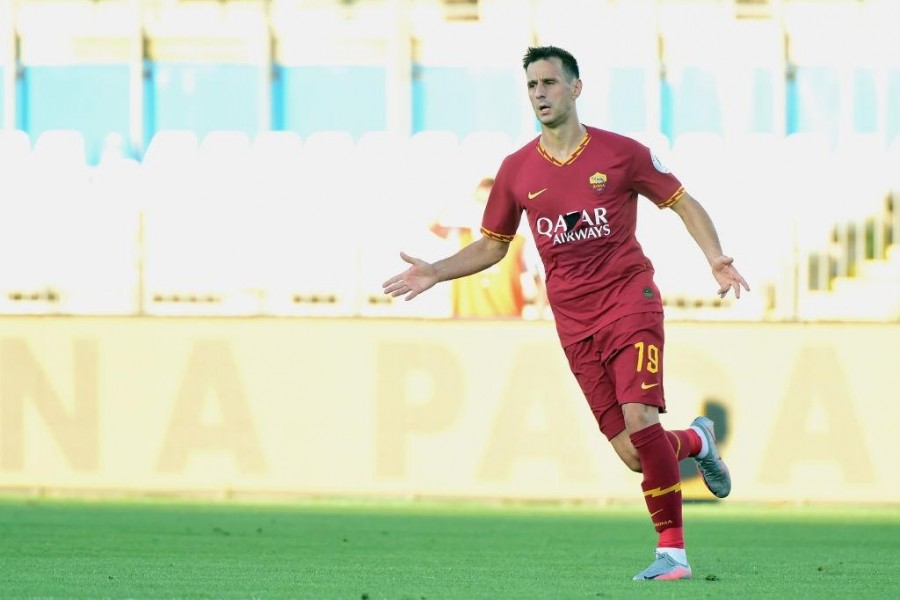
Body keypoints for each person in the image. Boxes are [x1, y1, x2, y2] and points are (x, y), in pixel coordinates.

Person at [382, 45, 749, 581]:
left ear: (575, 88)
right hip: (574, 323)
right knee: (632, 453)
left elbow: (683, 202)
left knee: (641, 419)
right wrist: (435, 270)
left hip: (630, 302)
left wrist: (715, 257)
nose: (540, 94)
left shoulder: (622, 153)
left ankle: (672, 554)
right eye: (532, 86)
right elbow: (492, 246)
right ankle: (697, 441)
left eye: (550, 83)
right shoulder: (515, 170)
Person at [429, 176, 546, 318]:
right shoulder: (461, 236)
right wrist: (456, 195)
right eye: (480, 202)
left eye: (490, 203)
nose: (484, 209)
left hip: (507, 322)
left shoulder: (519, 243)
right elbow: (432, 225)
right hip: (465, 322)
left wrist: (538, 318)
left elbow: (541, 284)